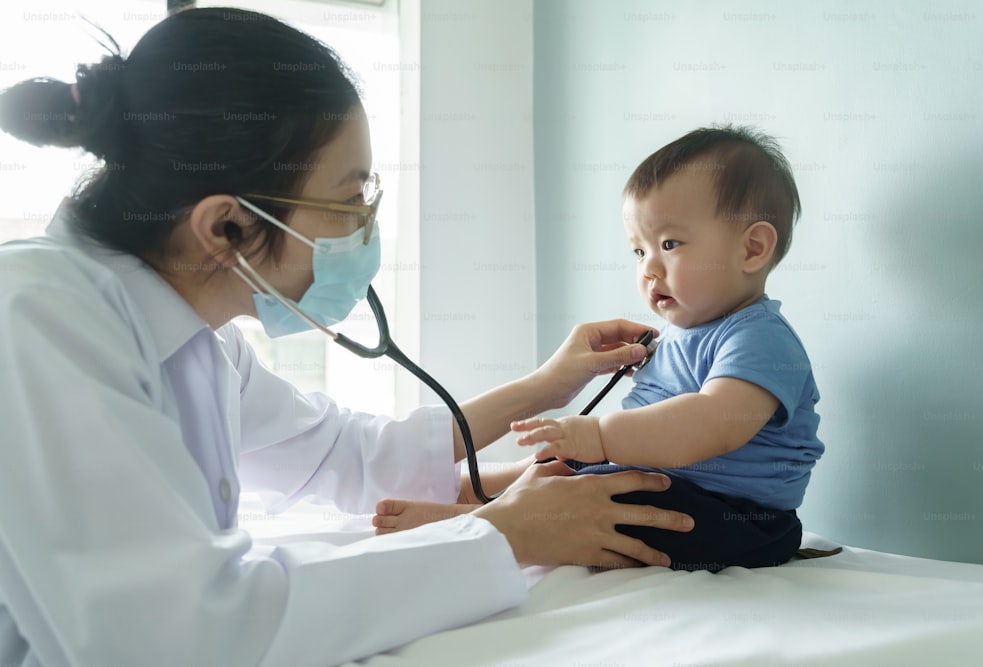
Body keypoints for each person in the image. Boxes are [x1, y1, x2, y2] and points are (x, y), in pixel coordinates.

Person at [0, 8, 695, 667]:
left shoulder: (201, 344)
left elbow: (353, 456)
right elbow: (175, 633)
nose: (365, 225)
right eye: (349, 198)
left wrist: (550, 382)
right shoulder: (37, 317)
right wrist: (503, 535)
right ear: (225, 228)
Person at [375, 126, 824, 573]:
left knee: (607, 490)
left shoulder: (759, 337)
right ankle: (484, 487)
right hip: (666, 483)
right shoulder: (676, 336)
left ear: (752, 248)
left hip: (737, 517)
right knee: (573, 463)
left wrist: (601, 437)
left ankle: (472, 521)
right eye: (638, 250)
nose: (649, 268)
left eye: (669, 244)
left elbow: (711, 424)